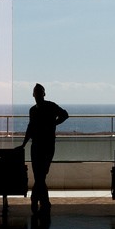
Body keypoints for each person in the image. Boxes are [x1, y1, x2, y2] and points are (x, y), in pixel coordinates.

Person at [19, 83, 69, 215]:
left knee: (40, 176)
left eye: (39, 91)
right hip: (42, 145)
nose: (38, 94)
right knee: (40, 176)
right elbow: (64, 115)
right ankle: (44, 201)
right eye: (37, 91)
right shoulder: (40, 108)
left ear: (42, 94)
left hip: (42, 145)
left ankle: (36, 199)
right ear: (35, 94)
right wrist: (54, 124)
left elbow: (64, 114)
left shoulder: (43, 107)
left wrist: (54, 123)